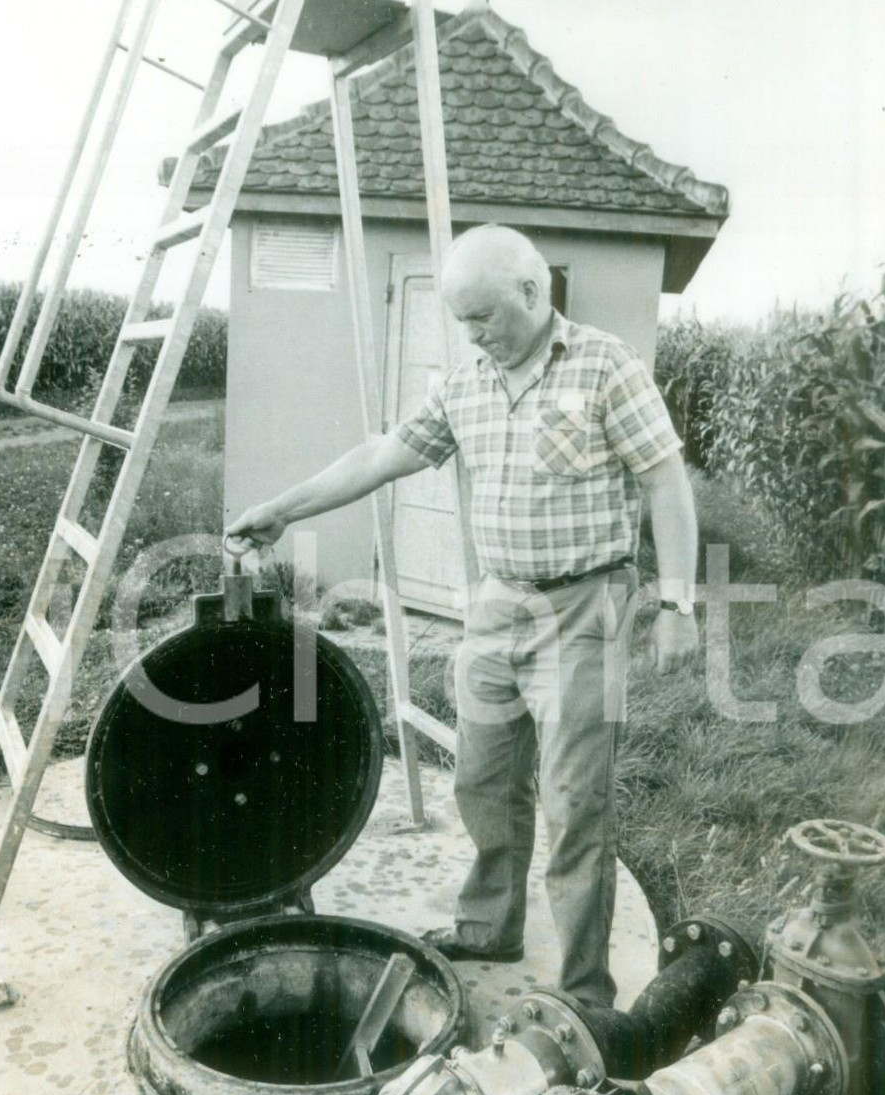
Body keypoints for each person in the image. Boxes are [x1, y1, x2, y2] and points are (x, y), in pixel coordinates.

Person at [226, 224, 698, 1007]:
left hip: (586, 605)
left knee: (576, 801)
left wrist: (679, 601)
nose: (474, 334)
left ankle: (584, 990)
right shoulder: (467, 384)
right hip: (496, 603)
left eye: (483, 317)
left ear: (530, 292)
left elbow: (665, 481)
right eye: (462, 321)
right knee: (482, 778)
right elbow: (381, 455)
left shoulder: (605, 365)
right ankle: (490, 928)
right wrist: (282, 508)